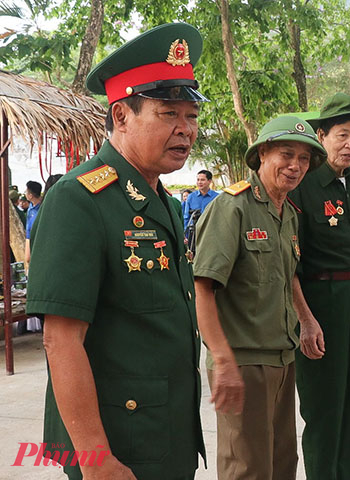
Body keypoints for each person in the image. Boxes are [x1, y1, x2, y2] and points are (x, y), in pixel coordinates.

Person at [26, 23, 207, 479]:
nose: (186, 130)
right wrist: (95, 458)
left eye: (191, 116)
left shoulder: (159, 198)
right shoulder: (79, 198)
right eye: (169, 114)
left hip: (165, 431)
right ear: (122, 115)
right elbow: (60, 339)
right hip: (118, 444)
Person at [193, 116, 325, 479]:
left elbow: (287, 275)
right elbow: (202, 288)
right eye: (286, 154)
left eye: (304, 159)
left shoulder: (288, 213)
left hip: (283, 356)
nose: (295, 166)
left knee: (282, 463)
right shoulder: (231, 207)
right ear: (262, 154)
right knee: (247, 468)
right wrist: (222, 360)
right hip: (244, 363)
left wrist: (307, 320)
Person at [288, 92, 350, 479]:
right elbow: (287, 262)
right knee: (326, 406)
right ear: (322, 135)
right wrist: (305, 320)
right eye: (343, 134)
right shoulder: (303, 183)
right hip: (322, 301)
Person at [23, 180, 42, 264]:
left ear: (30, 195)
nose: (25, 193)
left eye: (26, 191)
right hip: (29, 238)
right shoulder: (30, 207)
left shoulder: (42, 208)